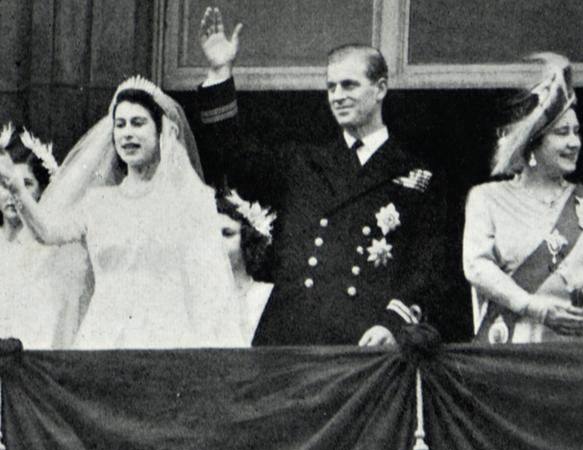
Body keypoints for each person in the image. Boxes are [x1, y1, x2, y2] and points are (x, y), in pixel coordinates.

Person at [196, 7, 448, 346]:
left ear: (381, 88)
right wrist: (220, 73)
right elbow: (235, 158)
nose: (338, 96)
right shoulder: (304, 163)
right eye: (331, 87)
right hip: (293, 339)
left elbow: (427, 268)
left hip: (366, 343)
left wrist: (392, 324)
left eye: (349, 85)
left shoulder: (416, 175)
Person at [0, 76, 245, 349]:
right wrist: (17, 190)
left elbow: (210, 288)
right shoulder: (98, 203)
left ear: (161, 131)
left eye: (138, 123)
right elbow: (47, 232)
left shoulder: (189, 203)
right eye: (120, 124)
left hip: (166, 337)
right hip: (103, 336)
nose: (127, 133)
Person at [463, 53, 583, 344]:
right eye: (562, 133)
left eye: (577, 132)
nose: (575, 143)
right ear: (533, 142)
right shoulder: (487, 198)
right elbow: (477, 267)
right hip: (513, 352)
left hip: (577, 359)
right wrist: (535, 308)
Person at [0, 124, 80, 348]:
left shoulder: (49, 251)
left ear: (43, 190)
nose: (13, 194)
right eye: (4, 185)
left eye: (27, 184)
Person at [216, 189, 275, 345]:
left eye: (227, 234)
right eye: (210, 234)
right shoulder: (199, 300)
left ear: (248, 240)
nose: (216, 243)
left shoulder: (268, 294)